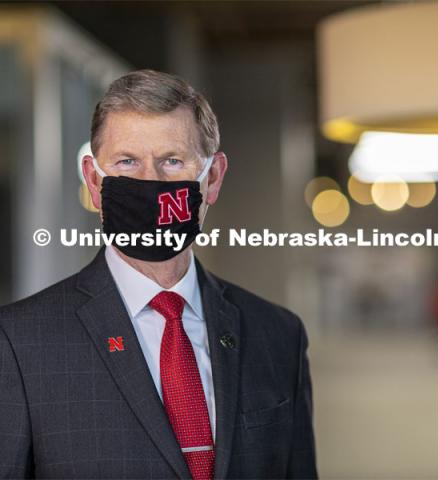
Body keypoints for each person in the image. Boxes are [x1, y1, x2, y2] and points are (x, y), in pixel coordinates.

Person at [0, 69, 318, 479]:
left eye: (172, 160)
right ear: (95, 181)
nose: (150, 181)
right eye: (127, 161)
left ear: (213, 178)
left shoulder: (277, 334)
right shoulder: (19, 343)